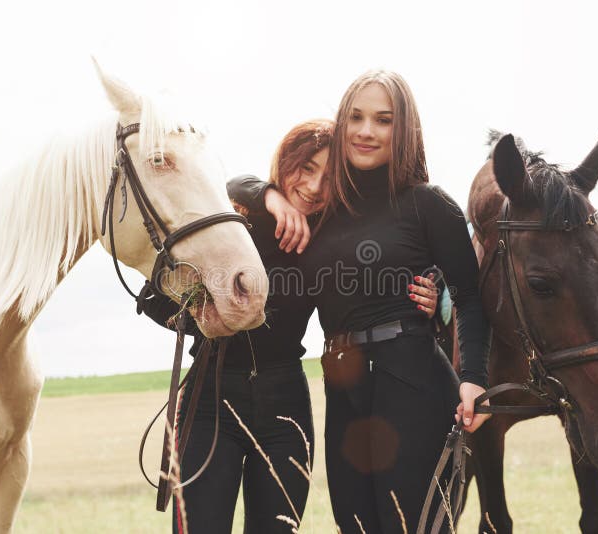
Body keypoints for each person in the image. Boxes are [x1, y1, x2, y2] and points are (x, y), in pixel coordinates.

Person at [142, 118, 439, 534]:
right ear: (285, 163)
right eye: (306, 168)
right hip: (210, 400)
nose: (316, 187)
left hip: (285, 406)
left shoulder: (333, 238)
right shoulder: (233, 220)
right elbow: (154, 300)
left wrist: (430, 295)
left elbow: (383, 283)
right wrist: (204, 317)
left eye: (330, 176)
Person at [235, 71, 491, 533]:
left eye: (383, 120)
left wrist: (473, 379)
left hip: (414, 383)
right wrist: (273, 197)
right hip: (344, 390)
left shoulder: (427, 204)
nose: (366, 131)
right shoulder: (325, 210)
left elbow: (469, 297)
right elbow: (236, 186)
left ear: (404, 128)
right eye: (355, 117)